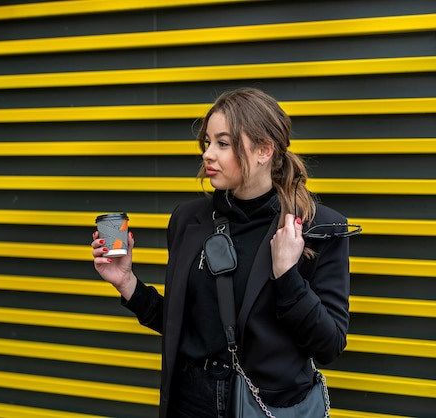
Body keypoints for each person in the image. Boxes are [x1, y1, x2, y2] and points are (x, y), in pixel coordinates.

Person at [91, 87, 351, 418]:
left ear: (264, 150)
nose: (208, 154)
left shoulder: (318, 228)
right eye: (208, 143)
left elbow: (329, 346)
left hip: (266, 406)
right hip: (191, 402)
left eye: (223, 144)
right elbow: (184, 325)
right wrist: (127, 282)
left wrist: (288, 276)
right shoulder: (189, 219)